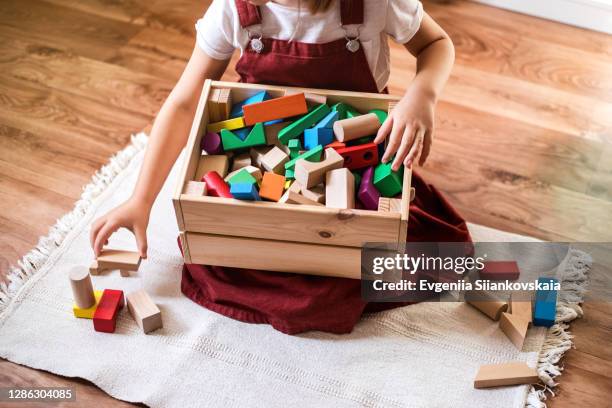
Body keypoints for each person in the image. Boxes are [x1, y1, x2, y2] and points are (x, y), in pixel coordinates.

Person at [90, 0, 471, 334]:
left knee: (370, 260)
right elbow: (184, 103)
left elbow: (437, 43)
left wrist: (423, 94)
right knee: (228, 252)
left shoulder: (374, 3)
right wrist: (139, 200)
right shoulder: (232, 9)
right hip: (262, 157)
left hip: (354, 152)